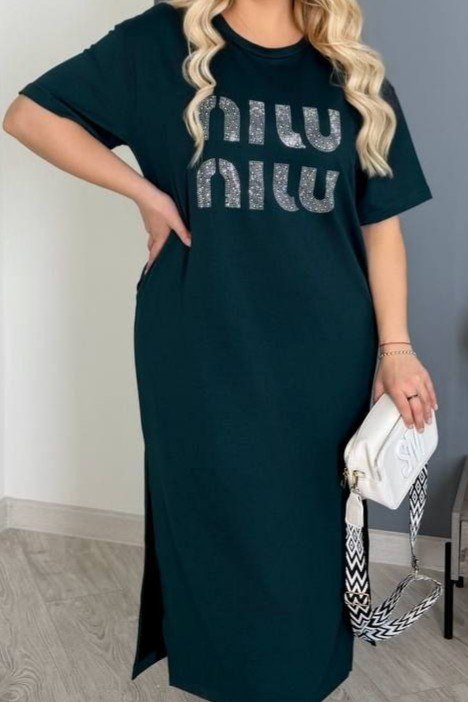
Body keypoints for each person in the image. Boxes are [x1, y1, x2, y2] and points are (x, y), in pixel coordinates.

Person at [3, 1, 438, 700]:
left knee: (305, 539)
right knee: (212, 525)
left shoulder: (352, 73)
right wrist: (144, 193)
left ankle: (299, 679)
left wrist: (397, 347)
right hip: (198, 343)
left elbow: (381, 227)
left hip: (325, 355)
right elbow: (28, 115)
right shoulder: (157, 42)